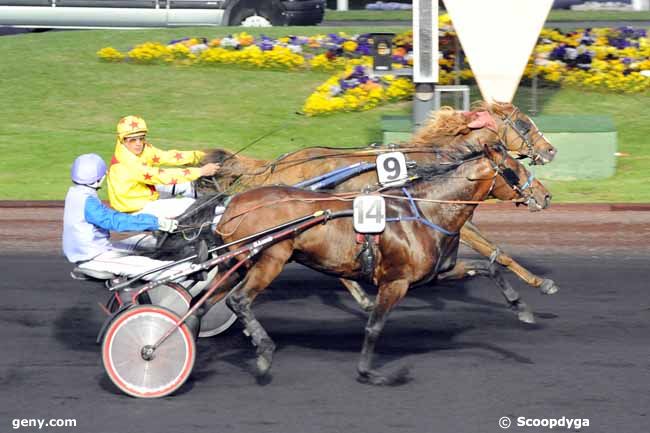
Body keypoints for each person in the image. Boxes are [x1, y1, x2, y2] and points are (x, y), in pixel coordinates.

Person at [63, 153, 193, 281]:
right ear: (100, 178)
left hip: (97, 249)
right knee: (169, 270)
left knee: (149, 241)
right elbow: (114, 221)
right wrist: (156, 222)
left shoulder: (75, 193)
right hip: (96, 256)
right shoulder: (87, 201)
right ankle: (193, 269)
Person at [106, 115, 221, 219]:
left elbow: (168, 156)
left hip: (145, 193)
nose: (138, 143)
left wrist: (200, 156)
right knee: (188, 203)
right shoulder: (127, 163)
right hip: (135, 210)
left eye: (141, 138)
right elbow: (162, 176)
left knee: (185, 186)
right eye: (133, 140)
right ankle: (224, 211)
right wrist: (200, 171)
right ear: (123, 140)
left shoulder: (143, 149)